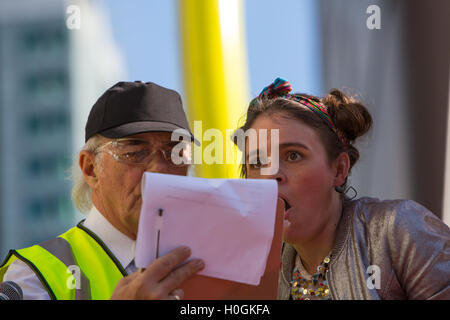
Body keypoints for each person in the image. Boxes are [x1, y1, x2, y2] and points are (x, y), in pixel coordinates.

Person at [235, 77, 450, 300]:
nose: (271, 174)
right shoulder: (254, 273)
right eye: (257, 163)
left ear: (339, 169)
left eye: (293, 155)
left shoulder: (399, 229)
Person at [0, 81, 205, 300]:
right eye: (134, 152)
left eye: (175, 154)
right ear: (91, 168)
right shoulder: (36, 276)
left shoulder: (212, 263)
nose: (158, 170)